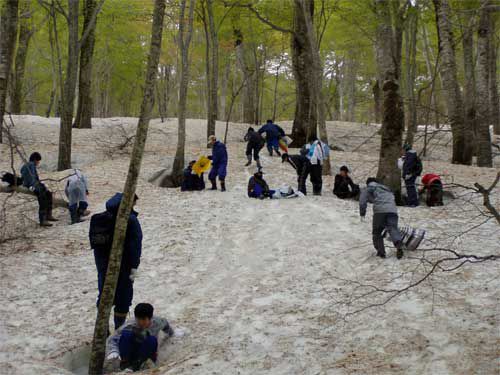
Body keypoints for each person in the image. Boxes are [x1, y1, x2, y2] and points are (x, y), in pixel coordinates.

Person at [92, 193, 143, 330]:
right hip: (124, 266)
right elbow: (135, 246)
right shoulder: (130, 220)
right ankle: (119, 329)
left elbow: (96, 247)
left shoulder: (101, 218)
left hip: (103, 266)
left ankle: (102, 331)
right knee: (123, 298)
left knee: (104, 295)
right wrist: (134, 266)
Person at [105, 303, 178, 372]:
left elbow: (166, 324)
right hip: (131, 349)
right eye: (138, 319)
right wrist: (113, 350)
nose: (140, 322)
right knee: (126, 334)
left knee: (152, 339)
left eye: (143, 319)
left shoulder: (157, 322)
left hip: (147, 352)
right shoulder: (130, 324)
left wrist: (171, 334)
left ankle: (139, 364)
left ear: (150, 318)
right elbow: (113, 338)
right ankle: (125, 363)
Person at [359, 177, 406, 259]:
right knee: (393, 228)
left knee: (377, 232)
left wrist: (362, 213)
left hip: (380, 212)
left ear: (368, 183)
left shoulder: (369, 187)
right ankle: (399, 245)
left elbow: (362, 201)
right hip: (393, 210)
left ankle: (381, 252)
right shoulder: (386, 189)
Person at [20, 152, 58, 227]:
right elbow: (31, 178)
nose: (38, 163)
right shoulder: (30, 165)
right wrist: (34, 187)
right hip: (32, 185)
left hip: (35, 184)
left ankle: (48, 215)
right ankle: (43, 219)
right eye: (38, 161)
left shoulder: (29, 165)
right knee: (42, 198)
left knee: (48, 193)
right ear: (35, 160)